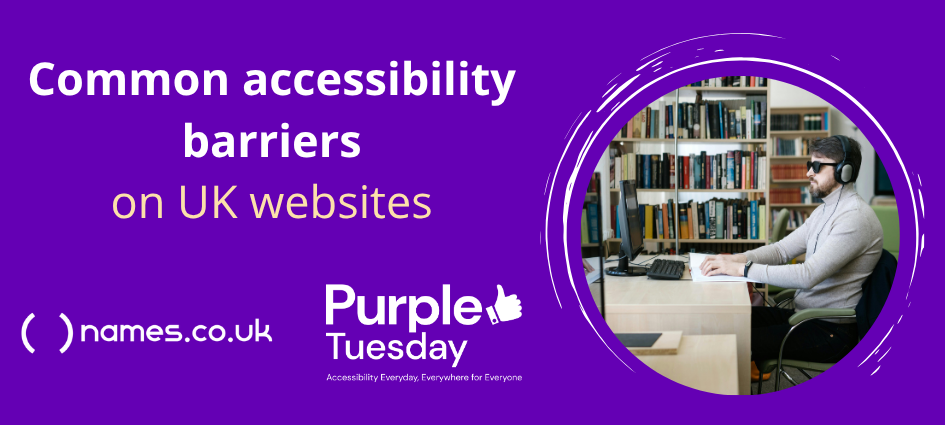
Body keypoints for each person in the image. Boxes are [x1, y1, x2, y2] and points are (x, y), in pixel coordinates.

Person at [699, 136, 883, 374]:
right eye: (809, 164)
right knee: (728, 321)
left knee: (734, 340)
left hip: (830, 331)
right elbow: (781, 250)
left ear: (843, 170)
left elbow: (808, 275)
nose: (809, 172)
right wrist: (736, 259)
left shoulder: (855, 218)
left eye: (817, 165)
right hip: (804, 316)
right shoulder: (824, 210)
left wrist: (743, 270)